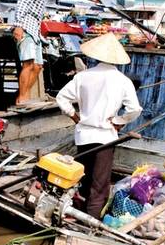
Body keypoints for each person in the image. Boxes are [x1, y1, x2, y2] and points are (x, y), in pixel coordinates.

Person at [56, 33, 143, 218]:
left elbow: (61, 98)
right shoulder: (123, 81)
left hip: (84, 136)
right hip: (105, 137)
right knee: (99, 185)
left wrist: (74, 116)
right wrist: (118, 122)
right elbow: (134, 110)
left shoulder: (83, 76)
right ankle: (89, 223)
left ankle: (76, 214)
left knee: (82, 178)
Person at [13, 0, 45, 105]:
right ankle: (22, 98)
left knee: (38, 66)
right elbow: (23, 2)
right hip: (26, 26)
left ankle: (24, 95)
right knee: (28, 64)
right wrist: (18, 25)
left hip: (35, 30)